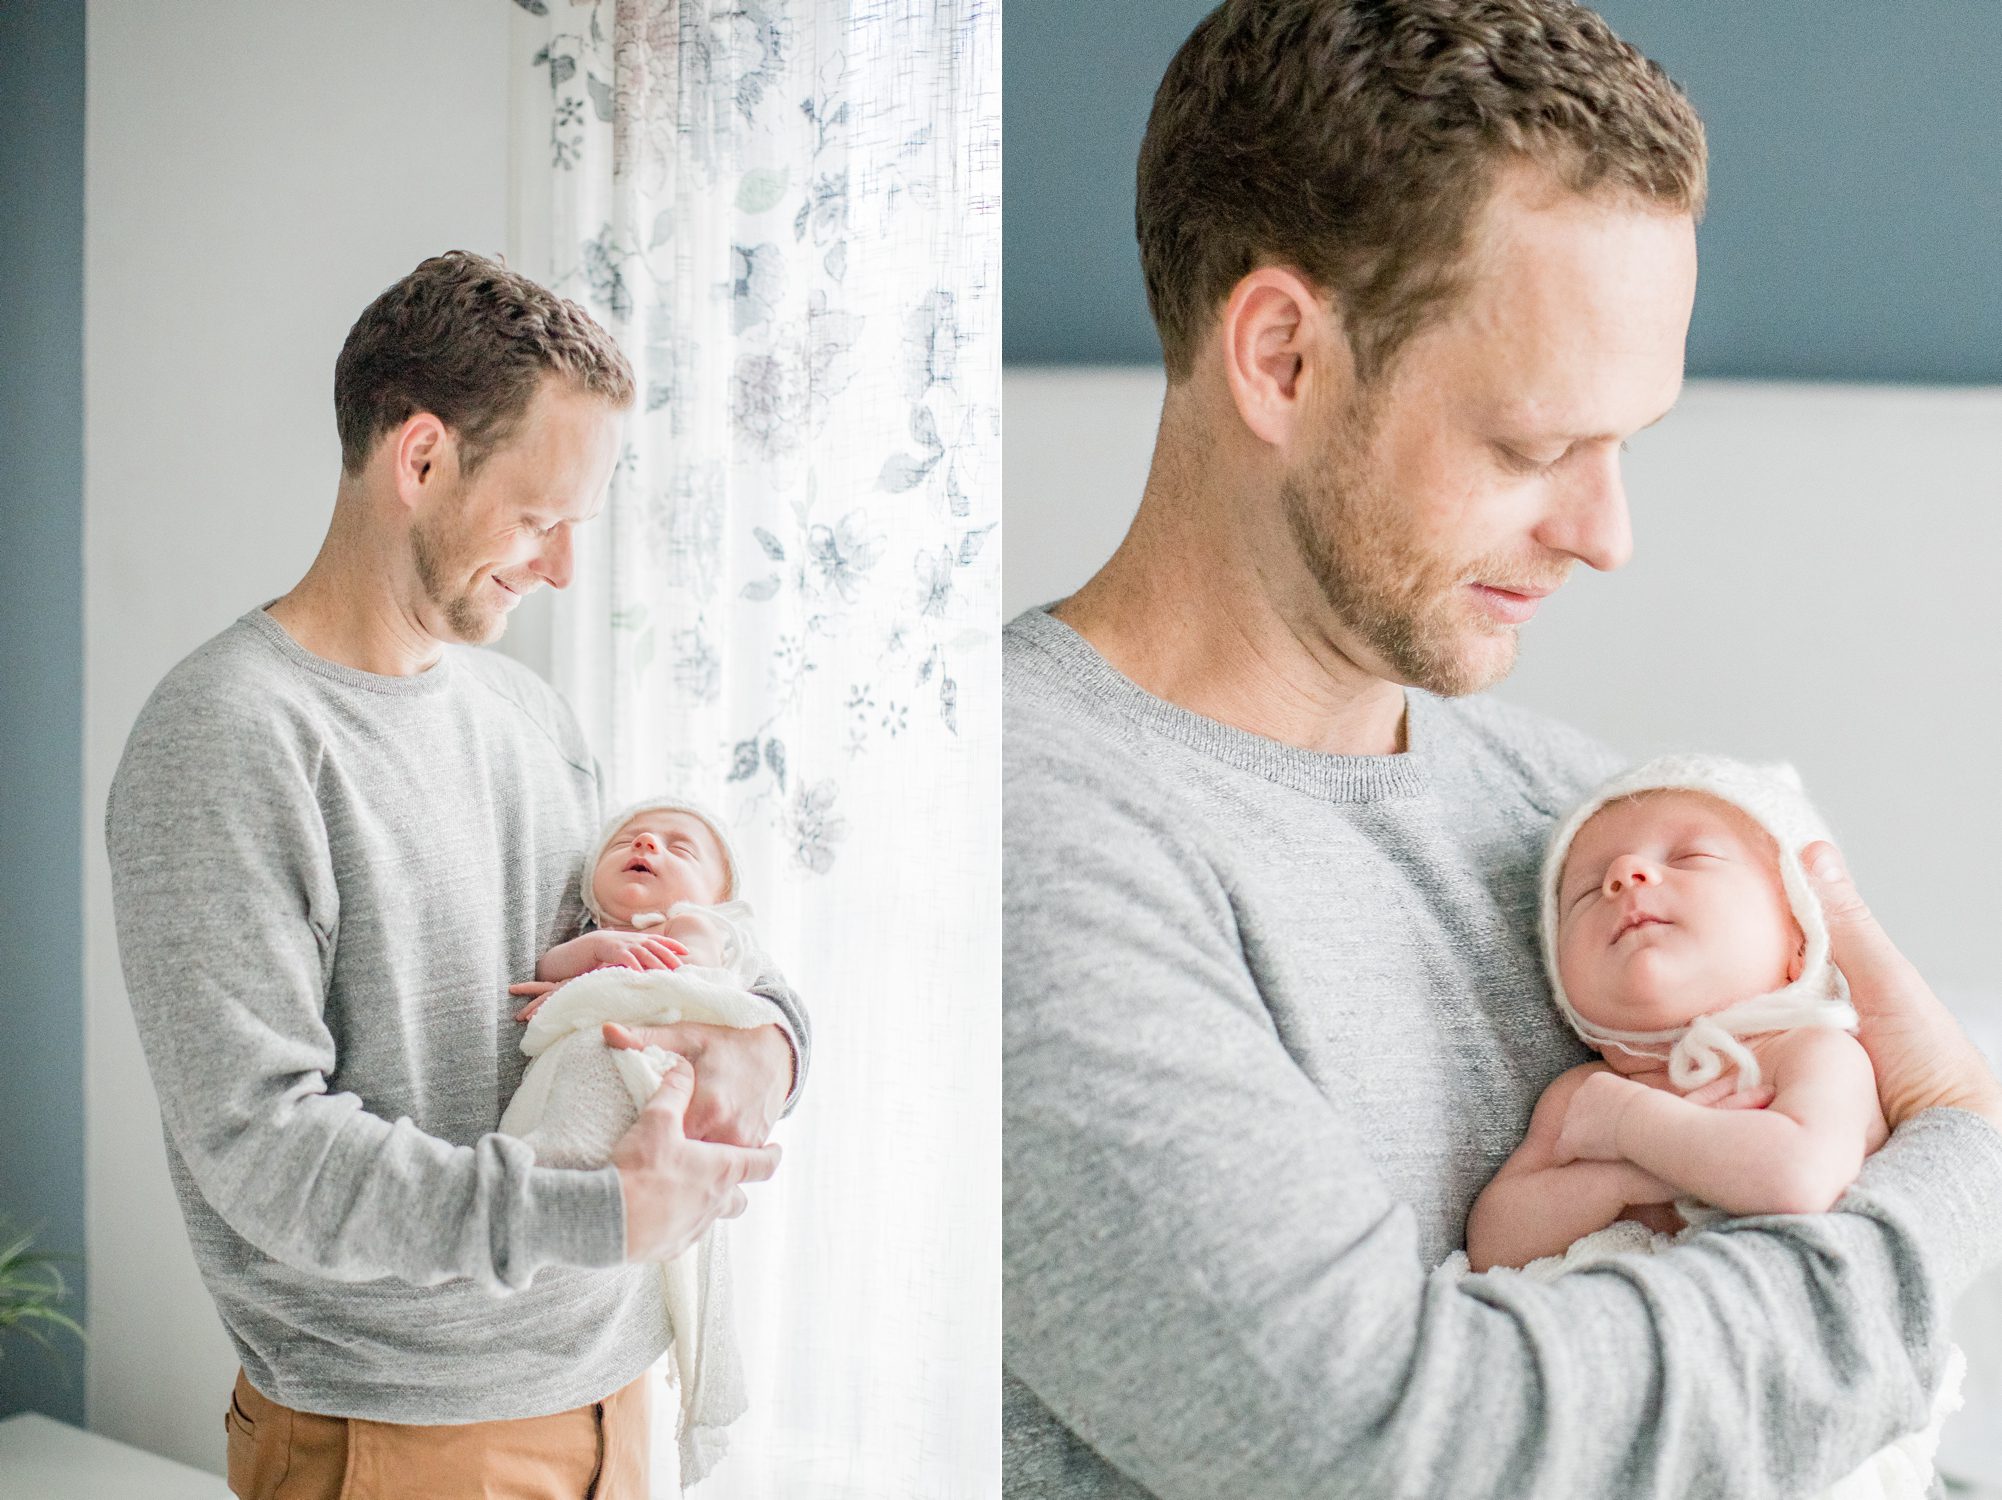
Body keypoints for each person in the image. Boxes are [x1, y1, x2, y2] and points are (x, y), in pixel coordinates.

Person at [1002, 3, 2002, 1497]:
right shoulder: (1019, 830)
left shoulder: (1584, 820)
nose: (1604, 538)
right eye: (1534, 449)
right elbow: (1401, 1448)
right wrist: (1955, 1167)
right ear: (1281, 357)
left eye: (1626, 446)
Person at [106, 251, 807, 1498]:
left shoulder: (530, 717)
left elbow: (653, 951)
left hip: (616, 1398)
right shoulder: (225, 738)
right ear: (419, 459)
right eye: (541, 520)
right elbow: (263, 1148)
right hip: (404, 1442)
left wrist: (776, 1043)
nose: (560, 570)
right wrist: (599, 1218)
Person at [501, 797, 788, 1486]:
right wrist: (597, 953)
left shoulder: (712, 924)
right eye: (629, 840)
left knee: (600, 1106)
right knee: (560, 1124)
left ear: (721, 893)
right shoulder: (596, 933)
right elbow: (547, 966)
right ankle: (537, 1203)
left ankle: (554, 1204)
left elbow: (707, 982)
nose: (650, 847)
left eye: (679, 849)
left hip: (649, 1060)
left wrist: (619, 973)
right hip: (586, 1057)